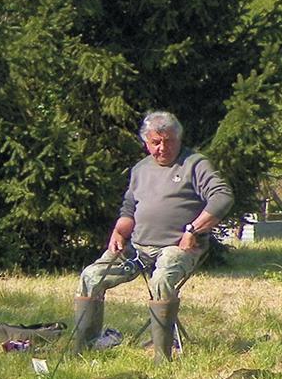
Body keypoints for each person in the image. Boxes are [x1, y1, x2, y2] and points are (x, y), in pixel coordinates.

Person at [71, 110, 232, 362]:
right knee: (91, 276)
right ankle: (83, 347)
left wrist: (193, 230)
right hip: (138, 249)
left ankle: (162, 358)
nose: (162, 148)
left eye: (168, 141)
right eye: (155, 142)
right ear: (146, 143)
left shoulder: (195, 164)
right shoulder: (140, 170)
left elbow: (222, 197)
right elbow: (129, 209)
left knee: (161, 280)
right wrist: (119, 231)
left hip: (178, 247)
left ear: (178, 139)